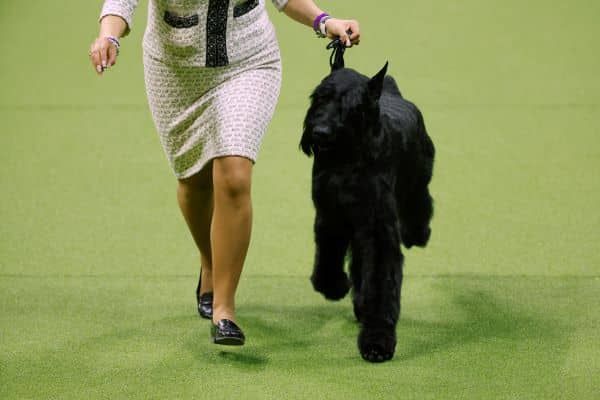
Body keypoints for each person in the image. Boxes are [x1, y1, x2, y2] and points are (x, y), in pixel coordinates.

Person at [89, 0, 360, 346]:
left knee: (234, 175)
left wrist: (324, 21)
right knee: (193, 181)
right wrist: (108, 36)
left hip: (249, 62)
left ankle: (224, 309)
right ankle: (210, 261)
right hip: (176, 70)